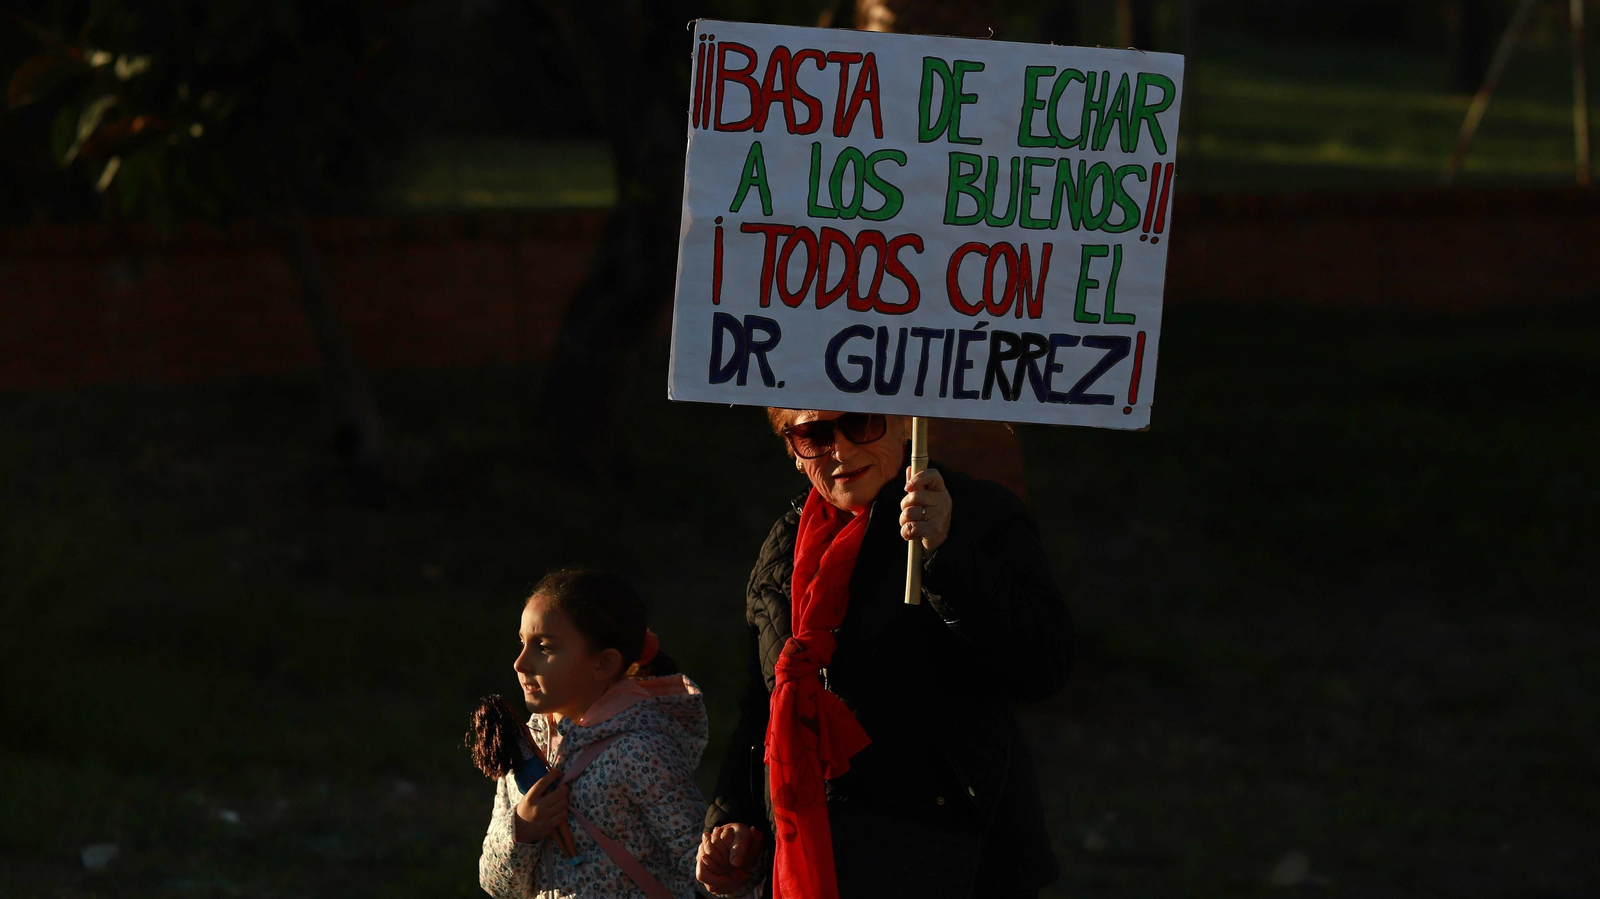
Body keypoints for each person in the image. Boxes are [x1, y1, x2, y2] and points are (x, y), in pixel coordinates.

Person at [696, 410, 1072, 899]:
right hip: (810, 848)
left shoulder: (976, 513)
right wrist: (735, 818)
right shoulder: (785, 543)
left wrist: (947, 552)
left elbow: (1043, 666)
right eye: (813, 434)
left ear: (904, 423)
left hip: (946, 853)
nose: (843, 450)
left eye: (862, 423)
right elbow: (763, 705)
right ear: (792, 450)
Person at [480, 569, 708, 899]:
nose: (520, 663)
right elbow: (497, 886)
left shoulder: (640, 750)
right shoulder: (525, 749)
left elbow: (701, 865)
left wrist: (730, 856)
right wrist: (521, 829)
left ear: (602, 665)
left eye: (543, 647)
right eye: (522, 643)